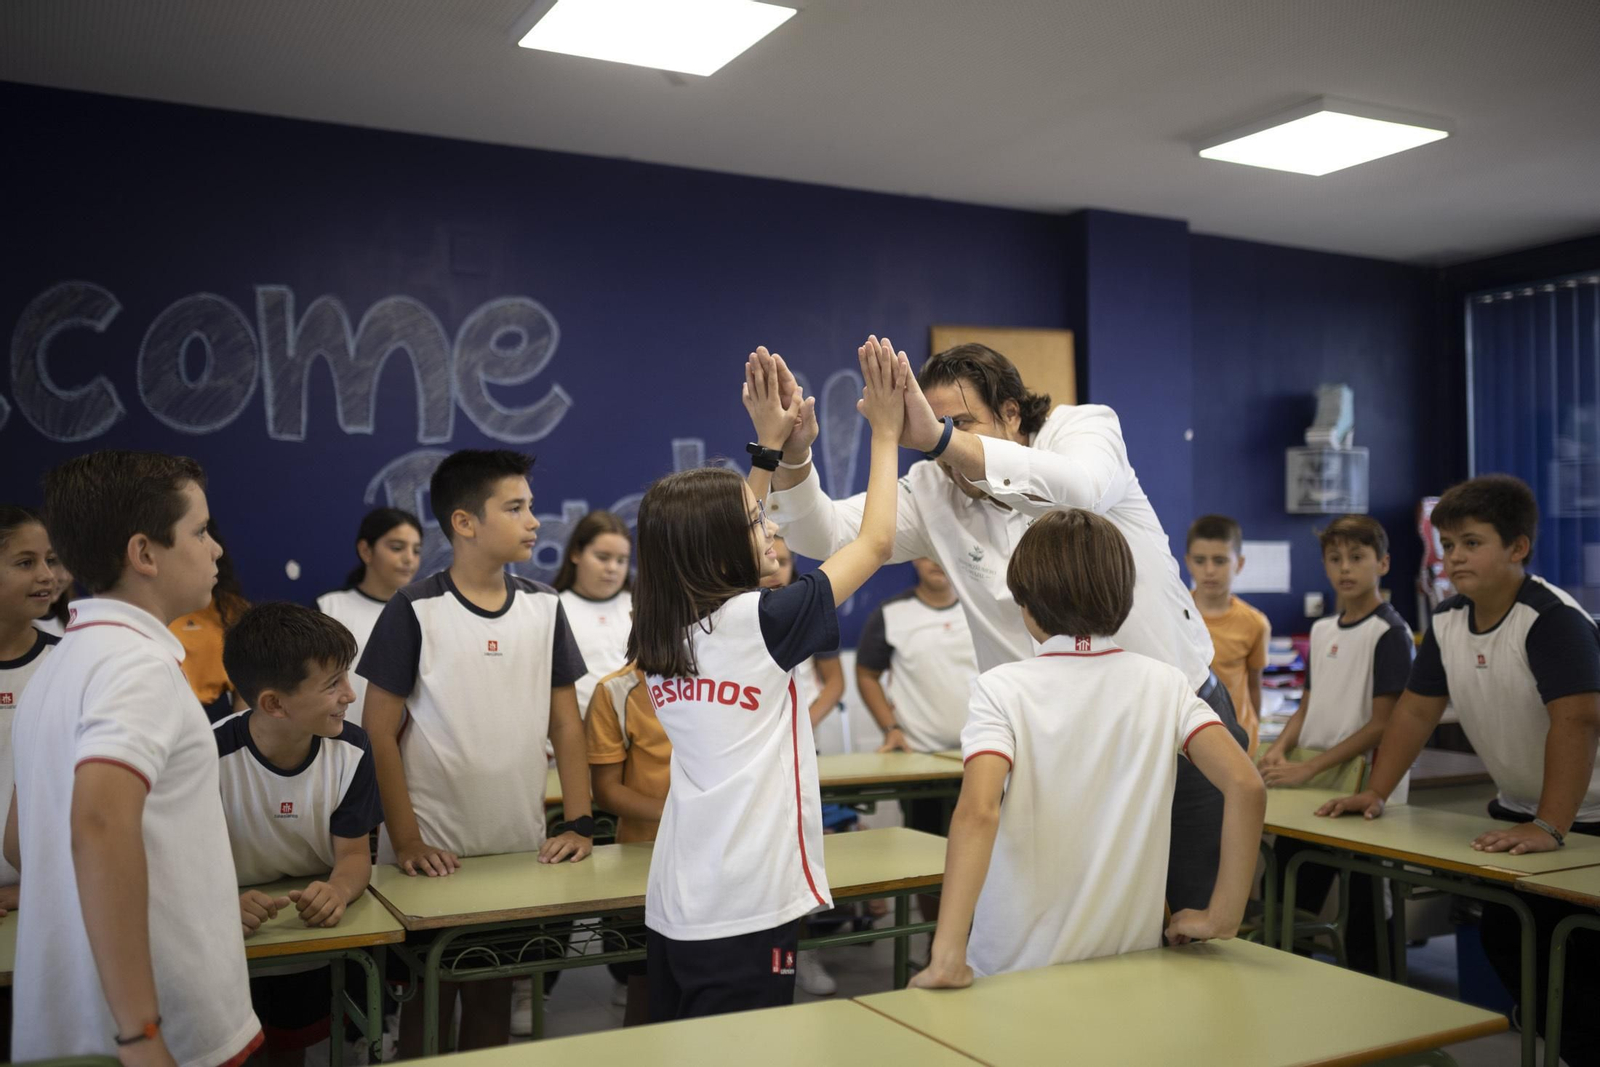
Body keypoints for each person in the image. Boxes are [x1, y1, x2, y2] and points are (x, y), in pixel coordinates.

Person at [760, 340, 1245, 914]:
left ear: (1012, 413)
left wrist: (938, 438)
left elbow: (1082, 491)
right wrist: (793, 457)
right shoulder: (934, 489)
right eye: (932, 424)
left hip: (1179, 730)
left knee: (1195, 916)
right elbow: (826, 536)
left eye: (960, 422)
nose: (942, 442)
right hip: (1056, 752)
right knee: (1085, 928)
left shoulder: (1081, 429)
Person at [630, 339, 903, 1021]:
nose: (772, 532)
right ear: (727, 544)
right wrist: (888, 433)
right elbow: (872, 544)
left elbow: (719, 538)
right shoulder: (767, 621)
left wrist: (766, 452)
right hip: (746, 901)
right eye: (760, 523)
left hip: (677, 900)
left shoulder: (662, 627)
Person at [909, 509, 1265, 986]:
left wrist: (947, 954)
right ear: (1122, 598)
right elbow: (1246, 784)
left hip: (1015, 970)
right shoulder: (1166, 684)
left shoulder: (1001, 689)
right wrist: (1222, 916)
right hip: (1130, 968)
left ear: (1027, 604)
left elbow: (978, 811)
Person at [1317, 475, 1600, 1063]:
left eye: (1471, 543)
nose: (1455, 558)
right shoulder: (1446, 622)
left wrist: (1550, 827)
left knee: (1577, 963)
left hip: (1588, 820)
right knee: (1506, 933)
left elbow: (1577, 723)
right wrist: (1374, 791)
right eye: (1448, 545)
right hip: (1522, 810)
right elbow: (1416, 713)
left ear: (1517, 548)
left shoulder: (1552, 620)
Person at [6, 451, 259, 1065]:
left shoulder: (63, 660)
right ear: (145, 554)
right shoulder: (136, 667)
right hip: (161, 1030)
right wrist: (140, 1032)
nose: (216, 550)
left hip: (76, 1018)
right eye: (199, 533)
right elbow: (97, 825)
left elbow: (19, 839)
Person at [357, 448, 593, 1053]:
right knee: (427, 1009)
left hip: (518, 848)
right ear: (464, 523)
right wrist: (405, 840)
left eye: (531, 506)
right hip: (431, 854)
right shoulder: (415, 610)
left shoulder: (545, 606)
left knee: (492, 997)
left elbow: (567, 726)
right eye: (515, 508)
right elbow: (377, 733)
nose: (534, 521)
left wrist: (581, 821)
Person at [217, 602, 384, 1066]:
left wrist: (337, 890)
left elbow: (353, 856)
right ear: (274, 703)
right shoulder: (204, 754)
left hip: (305, 935)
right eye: (333, 684)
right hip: (226, 937)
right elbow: (172, 864)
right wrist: (220, 903)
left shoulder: (352, 750)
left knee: (289, 1051)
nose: (350, 695)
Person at [1257, 515, 1413, 974]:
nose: (1346, 568)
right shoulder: (1324, 631)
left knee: (1367, 905)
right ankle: (1288, 982)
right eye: (1335, 558)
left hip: (1363, 785)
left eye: (1358, 557)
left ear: (1382, 562)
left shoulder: (1390, 634)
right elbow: (1308, 701)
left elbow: (1383, 724)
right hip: (1316, 787)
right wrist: (1281, 747)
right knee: (1286, 891)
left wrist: (1308, 768)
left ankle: (1380, 1003)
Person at [856, 556, 976, 923]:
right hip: (922, 763)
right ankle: (935, 941)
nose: (937, 562)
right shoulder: (892, 612)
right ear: (913, 560)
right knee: (930, 862)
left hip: (983, 758)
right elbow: (866, 673)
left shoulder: (981, 608)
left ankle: (981, 945)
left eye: (942, 552)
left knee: (990, 854)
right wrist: (890, 727)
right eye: (925, 552)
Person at [585, 661, 668, 1024]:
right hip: (644, 863)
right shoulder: (615, 690)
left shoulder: (725, 674)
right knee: (647, 986)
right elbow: (606, 791)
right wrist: (684, 814)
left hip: (717, 858)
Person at [0, 506, 62, 906]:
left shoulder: (70, 663)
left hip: (45, 899)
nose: (47, 575)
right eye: (26, 562)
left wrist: (41, 888)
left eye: (51, 560)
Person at [315, 507, 423, 726]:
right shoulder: (329, 607)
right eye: (397, 547)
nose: (409, 559)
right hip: (337, 742)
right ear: (366, 551)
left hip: (403, 749)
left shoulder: (424, 613)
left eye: (417, 550)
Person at [1186, 514, 1271, 750]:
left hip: (1237, 738)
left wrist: (1254, 731)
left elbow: (1254, 684)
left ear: (1239, 564)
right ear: (1187, 562)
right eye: (1200, 560)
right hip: (1190, 739)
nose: (1209, 570)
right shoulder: (1173, 616)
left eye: (1220, 560)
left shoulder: (1255, 623)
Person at [553, 510, 634, 716]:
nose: (612, 568)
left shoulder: (642, 608)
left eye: (621, 560)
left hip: (634, 737)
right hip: (570, 738)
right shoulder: (553, 608)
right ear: (576, 554)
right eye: (602, 557)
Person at [169, 519, 249, 721]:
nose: (216, 550)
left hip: (219, 713)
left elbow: (246, 688)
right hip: (168, 714)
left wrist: (238, 734)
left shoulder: (232, 610)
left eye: (205, 533)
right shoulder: (152, 611)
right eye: (199, 534)